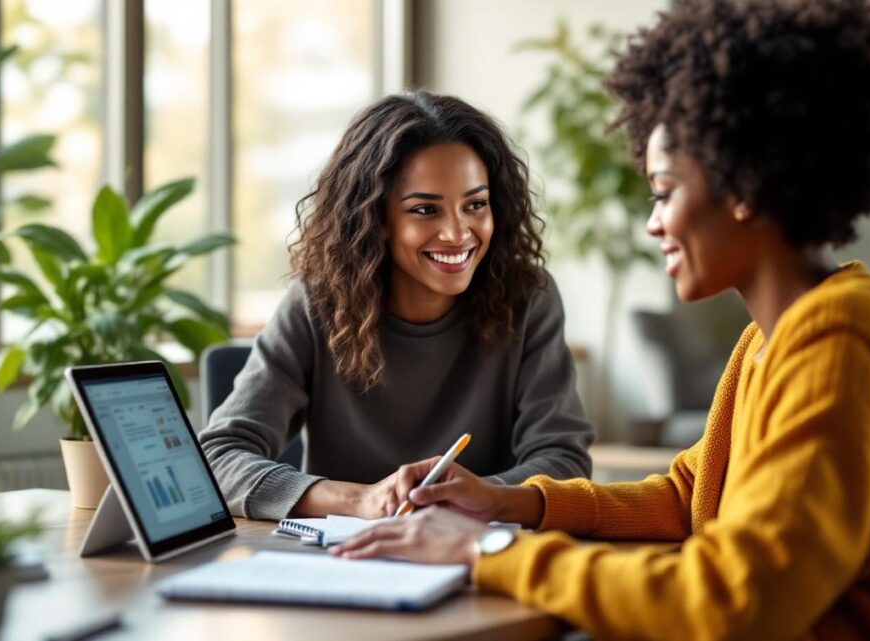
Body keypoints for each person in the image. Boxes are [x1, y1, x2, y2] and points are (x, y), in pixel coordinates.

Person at [331, 2, 870, 639]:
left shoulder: (840, 341)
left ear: (742, 184)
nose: (653, 224)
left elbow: (733, 599)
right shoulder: (788, 332)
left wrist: (489, 548)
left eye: (665, 192)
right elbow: (690, 496)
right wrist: (511, 503)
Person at [199, 92, 594, 522]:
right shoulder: (317, 303)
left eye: (475, 205)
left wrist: (477, 497)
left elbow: (563, 461)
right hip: (341, 563)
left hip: (476, 558)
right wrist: (360, 500)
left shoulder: (527, 298)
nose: (457, 233)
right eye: (425, 210)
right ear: (377, 219)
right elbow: (218, 459)